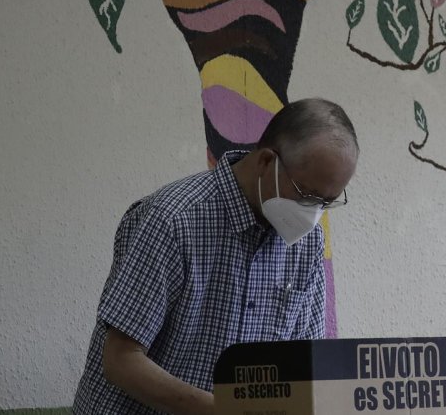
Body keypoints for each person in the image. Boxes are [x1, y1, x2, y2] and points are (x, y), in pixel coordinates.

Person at [73, 99, 358, 415]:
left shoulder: (306, 244)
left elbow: (308, 362)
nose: (313, 213)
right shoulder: (173, 220)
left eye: (326, 202)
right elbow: (120, 360)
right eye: (306, 195)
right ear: (266, 162)